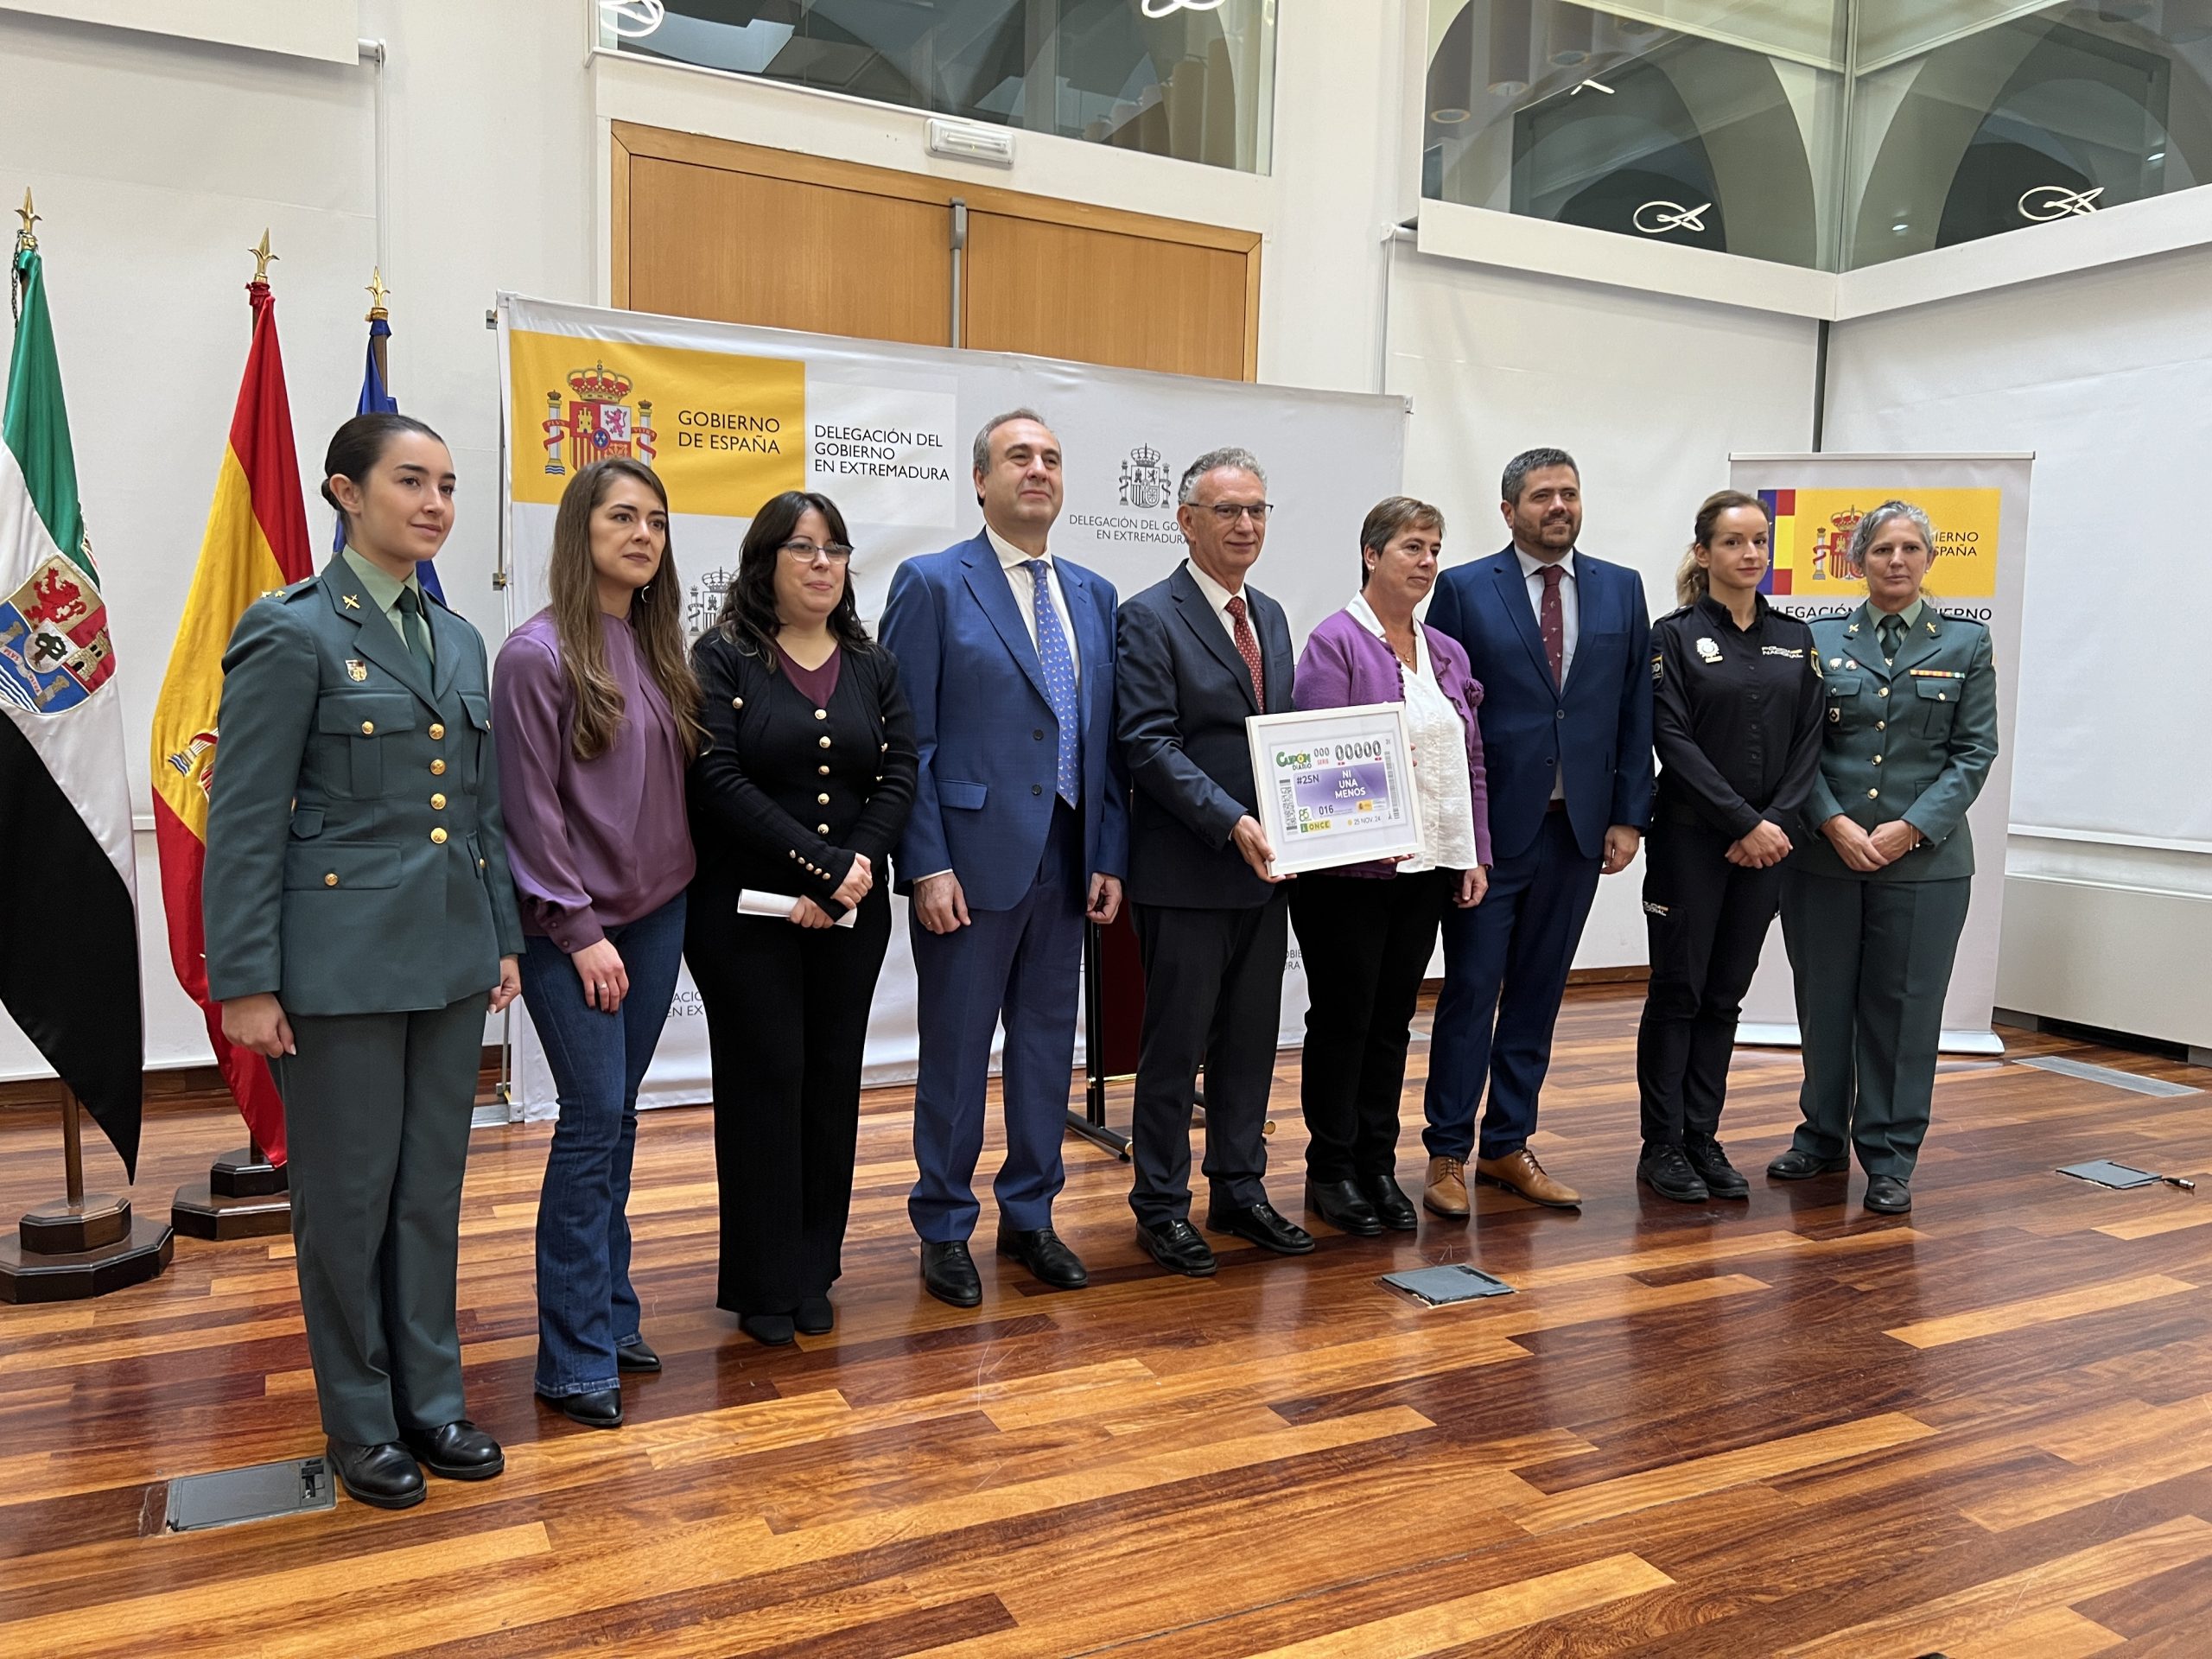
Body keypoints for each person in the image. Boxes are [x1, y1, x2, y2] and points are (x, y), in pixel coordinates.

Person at [206, 412, 524, 1511]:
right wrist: (241, 980)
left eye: (446, 484)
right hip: (335, 968)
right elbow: (243, 818)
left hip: (444, 960)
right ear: (345, 492)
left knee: (430, 1194)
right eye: (410, 482)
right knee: (346, 1201)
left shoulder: (460, 638)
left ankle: (432, 1401)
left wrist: (501, 939)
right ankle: (360, 1420)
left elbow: (479, 817)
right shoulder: (291, 630)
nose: (435, 503)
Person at [880, 410, 1127, 1308]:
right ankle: (943, 1225)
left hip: (1067, 859)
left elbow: (1099, 741)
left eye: (1052, 458)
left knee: (1042, 1051)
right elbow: (905, 741)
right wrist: (926, 864)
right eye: (1018, 457)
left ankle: (1030, 1217)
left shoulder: (1094, 594)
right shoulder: (934, 584)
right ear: (979, 481)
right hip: (969, 862)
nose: (1037, 471)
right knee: (953, 1055)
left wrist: (1107, 849)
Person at [494, 457, 702, 1428]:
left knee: (615, 1122)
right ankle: (572, 1359)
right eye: (622, 517)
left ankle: (611, 1315)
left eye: (655, 521)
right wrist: (578, 933)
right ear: (581, 531)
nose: (643, 535)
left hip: (660, 914)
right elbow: (528, 817)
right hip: (573, 930)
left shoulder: (660, 649)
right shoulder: (535, 655)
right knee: (587, 1126)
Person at [686, 491, 917, 1344]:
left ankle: (814, 1268)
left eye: (834, 548)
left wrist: (852, 875)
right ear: (764, 563)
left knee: (830, 1089)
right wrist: (822, 868)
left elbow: (898, 774)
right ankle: (761, 1283)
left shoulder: (871, 662)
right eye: (800, 548)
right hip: (744, 918)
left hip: (849, 917)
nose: (821, 563)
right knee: (763, 1087)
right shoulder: (723, 657)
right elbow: (716, 780)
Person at [1420, 447, 1653, 1214]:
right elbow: (1445, 714)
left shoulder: (1621, 589)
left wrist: (1627, 814)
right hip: (1490, 836)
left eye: (1570, 494)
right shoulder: (1461, 588)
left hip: (1578, 831)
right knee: (1472, 989)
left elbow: (1632, 711)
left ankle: (1508, 1146)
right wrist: (1457, 831)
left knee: (1539, 995)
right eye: (1543, 496)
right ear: (1509, 509)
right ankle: (1447, 1152)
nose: (1559, 506)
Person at [1773, 499, 1997, 1214]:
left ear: (1929, 559)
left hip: (1924, 866)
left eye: (1910, 549)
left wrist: (1910, 828)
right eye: (1881, 550)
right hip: (1824, 856)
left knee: (1903, 1012)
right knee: (1825, 1000)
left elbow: (1974, 752)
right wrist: (1833, 822)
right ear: (1857, 560)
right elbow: (1798, 748)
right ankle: (1820, 1136)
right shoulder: (1816, 638)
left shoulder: (1965, 645)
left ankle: (1892, 1156)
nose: (1896, 561)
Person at [1116, 447, 1308, 1275]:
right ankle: (1160, 1204)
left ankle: (1239, 1189)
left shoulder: (1270, 613)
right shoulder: (1149, 615)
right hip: (1188, 870)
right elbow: (1146, 743)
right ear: (1187, 520)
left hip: (1266, 878)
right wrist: (1230, 820)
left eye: (1258, 510)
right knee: (1174, 1048)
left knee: (1249, 1045)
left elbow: (1283, 744)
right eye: (1228, 511)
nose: (1245, 525)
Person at [1289, 498, 1492, 1236]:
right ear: (1372, 555)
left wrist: (1474, 853)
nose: (1428, 561)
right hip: (1348, 876)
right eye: (1412, 546)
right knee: (1344, 1021)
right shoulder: (1334, 642)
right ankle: (1331, 1170)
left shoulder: (1446, 651)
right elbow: (1319, 765)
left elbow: (1470, 761)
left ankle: (1377, 1162)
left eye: (1435, 548)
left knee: (1394, 1023)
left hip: (1430, 867)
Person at [1635, 492, 1821, 1204]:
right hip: (1692, 841)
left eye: (1760, 542)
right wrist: (1741, 820)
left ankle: (1703, 1136)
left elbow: (1810, 740)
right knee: (1678, 991)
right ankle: (1662, 1145)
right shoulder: (1673, 636)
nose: (1750, 555)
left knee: (1725, 996)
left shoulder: (1795, 639)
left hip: (1771, 846)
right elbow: (1672, 739)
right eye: (1734, 542)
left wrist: (1771, 823)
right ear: (1705, 553)